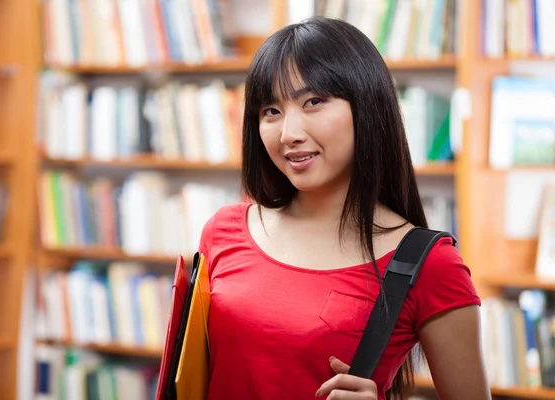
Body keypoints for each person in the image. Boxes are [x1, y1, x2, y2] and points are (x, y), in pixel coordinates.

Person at [197, 17, 490, 400]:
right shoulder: (224, 231)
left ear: (367, 106)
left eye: (313, 102)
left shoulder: (431, 263)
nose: (289, 133)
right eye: (271, 111)